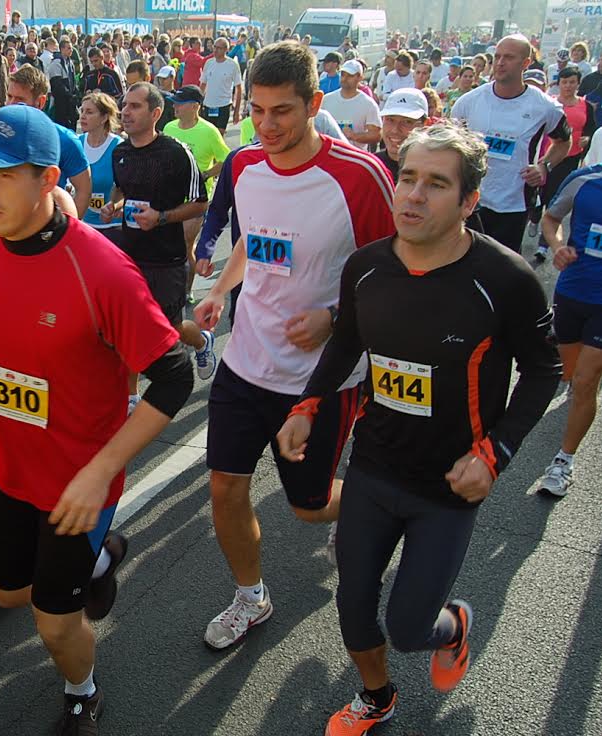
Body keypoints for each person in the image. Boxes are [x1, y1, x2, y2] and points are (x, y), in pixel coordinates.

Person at [276, 123, 561, 736]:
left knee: (408, 628)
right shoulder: (367, 268)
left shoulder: (505, 279)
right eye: (407, 177)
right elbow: (347, 336)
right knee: (352, 608)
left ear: (468, 202)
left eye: (435, 184)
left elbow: (544, 371)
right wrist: (308, 406)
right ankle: (377, 698)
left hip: (448, 486)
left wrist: (496, 453)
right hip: (374, 466)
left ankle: (451, 625)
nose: (411, 195)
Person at [0, 104, 194, 736]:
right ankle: (100, 561)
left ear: (49, 180)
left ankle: (83, 689)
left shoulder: (101, 268)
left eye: (2, 173)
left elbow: (176, 373)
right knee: (6, 593)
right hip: (8, 465)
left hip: (79, 484)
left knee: (53, 622)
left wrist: (101, 471)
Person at [192, 41, 395, 652]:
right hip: (246, 362)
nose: (267, 125)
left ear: (313, 104)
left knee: (309, 509)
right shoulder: (245, 164)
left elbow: (396, 269)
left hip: (322, 377)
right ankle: (251, 597)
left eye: (282, 111)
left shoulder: (359, 175)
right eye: (257, 110)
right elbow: (254, 243)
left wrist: (335, 317)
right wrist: (221, 292)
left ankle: (369, 505)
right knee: (224, 487)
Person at [102, 82, 216, 399]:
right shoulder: (120, 152)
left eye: (135, 106)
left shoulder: (177, 153)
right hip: (130, 257)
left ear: (155, 113)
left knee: (168, 329)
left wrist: (161, 217)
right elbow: (122, 188)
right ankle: (131, 398)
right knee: (127, 328)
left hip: (166, 260)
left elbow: (200, 203)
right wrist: (115, 205)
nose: (126, 112)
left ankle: (203, 341)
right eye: (124, 105)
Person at [451, 34, 571, 253]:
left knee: (501, 271)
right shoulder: (468, 102)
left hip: (514, 204)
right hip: (471, 201)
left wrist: (544, 166)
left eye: (509, 57)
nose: (500, 62)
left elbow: (564, 142)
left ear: (526, 63)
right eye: (497, 56)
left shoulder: (545, 107)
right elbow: (452, 147)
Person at [536, 159, 602, 497]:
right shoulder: (584, 181)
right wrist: (558, 246)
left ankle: (563, 462)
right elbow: (551, 217)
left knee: (585, 379)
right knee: (570, 375)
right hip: (573, 292)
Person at [161, 85, 230, 298]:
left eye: (180, 103)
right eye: (174, 102)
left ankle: (186, 290)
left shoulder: (209, 132)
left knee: (184, 245)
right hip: (169, 196)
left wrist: (206, 174)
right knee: (167, 245)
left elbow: (226, 159)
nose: (175, 107)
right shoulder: (170, 127)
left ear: (194, 107)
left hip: (195, 199)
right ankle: (169, 285)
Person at [4, 65, 93, 221]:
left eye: (19, 99)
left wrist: (68, 230)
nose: (11, 104)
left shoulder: (64, 139)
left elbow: (84, 189)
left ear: (41, 102)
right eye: (9, 96)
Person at [533, 65, 597, 261]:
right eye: (564, 82)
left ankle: (543, 245)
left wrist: (587, 139)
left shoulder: (585, 106)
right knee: (540, 194)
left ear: (578, 84)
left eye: (572, 82)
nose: (568, 86)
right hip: (548, 156)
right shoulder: (550, 104)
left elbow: (591, 128)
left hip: (570, 158)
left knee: (555, 197)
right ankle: (534, 216)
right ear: (558, 84)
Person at [78, 92, 122, 242]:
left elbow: (127, 188)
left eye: (89, 112)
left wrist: (115, 206)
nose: (83, 116)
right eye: (82, 111)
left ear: (104, 118)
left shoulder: (119, 147)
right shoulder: (77, 143)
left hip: (112, 228)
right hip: (83, 224)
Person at [321, 60, 383, 152]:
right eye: (343, 75)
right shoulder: (326, 99)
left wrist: (354, 136)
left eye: (350, 75)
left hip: (354, 157)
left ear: (360, 77)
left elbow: (376, 135)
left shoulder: (368, 104)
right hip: (328, 155)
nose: (345, 79)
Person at [200, 37, 244, 133]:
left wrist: (236, 112)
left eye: (219, 48)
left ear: (226, 49)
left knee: (220, 134)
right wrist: (198, 103)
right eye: (214, 47)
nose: (215, 50)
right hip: (208, 105)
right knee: (209, 133)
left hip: (223, 105)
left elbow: (239, 88)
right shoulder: (209, 63)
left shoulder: (232, 65)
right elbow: (203, 84)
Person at [47, 36, 80, 129]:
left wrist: (76, 94)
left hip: (70, 103)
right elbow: (57, 85)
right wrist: (69, 95)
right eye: (68, 48)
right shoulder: (56, 63)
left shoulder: (70, 62)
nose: (71, 50)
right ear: (62, 49)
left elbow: (73, 82)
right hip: (61, 103)